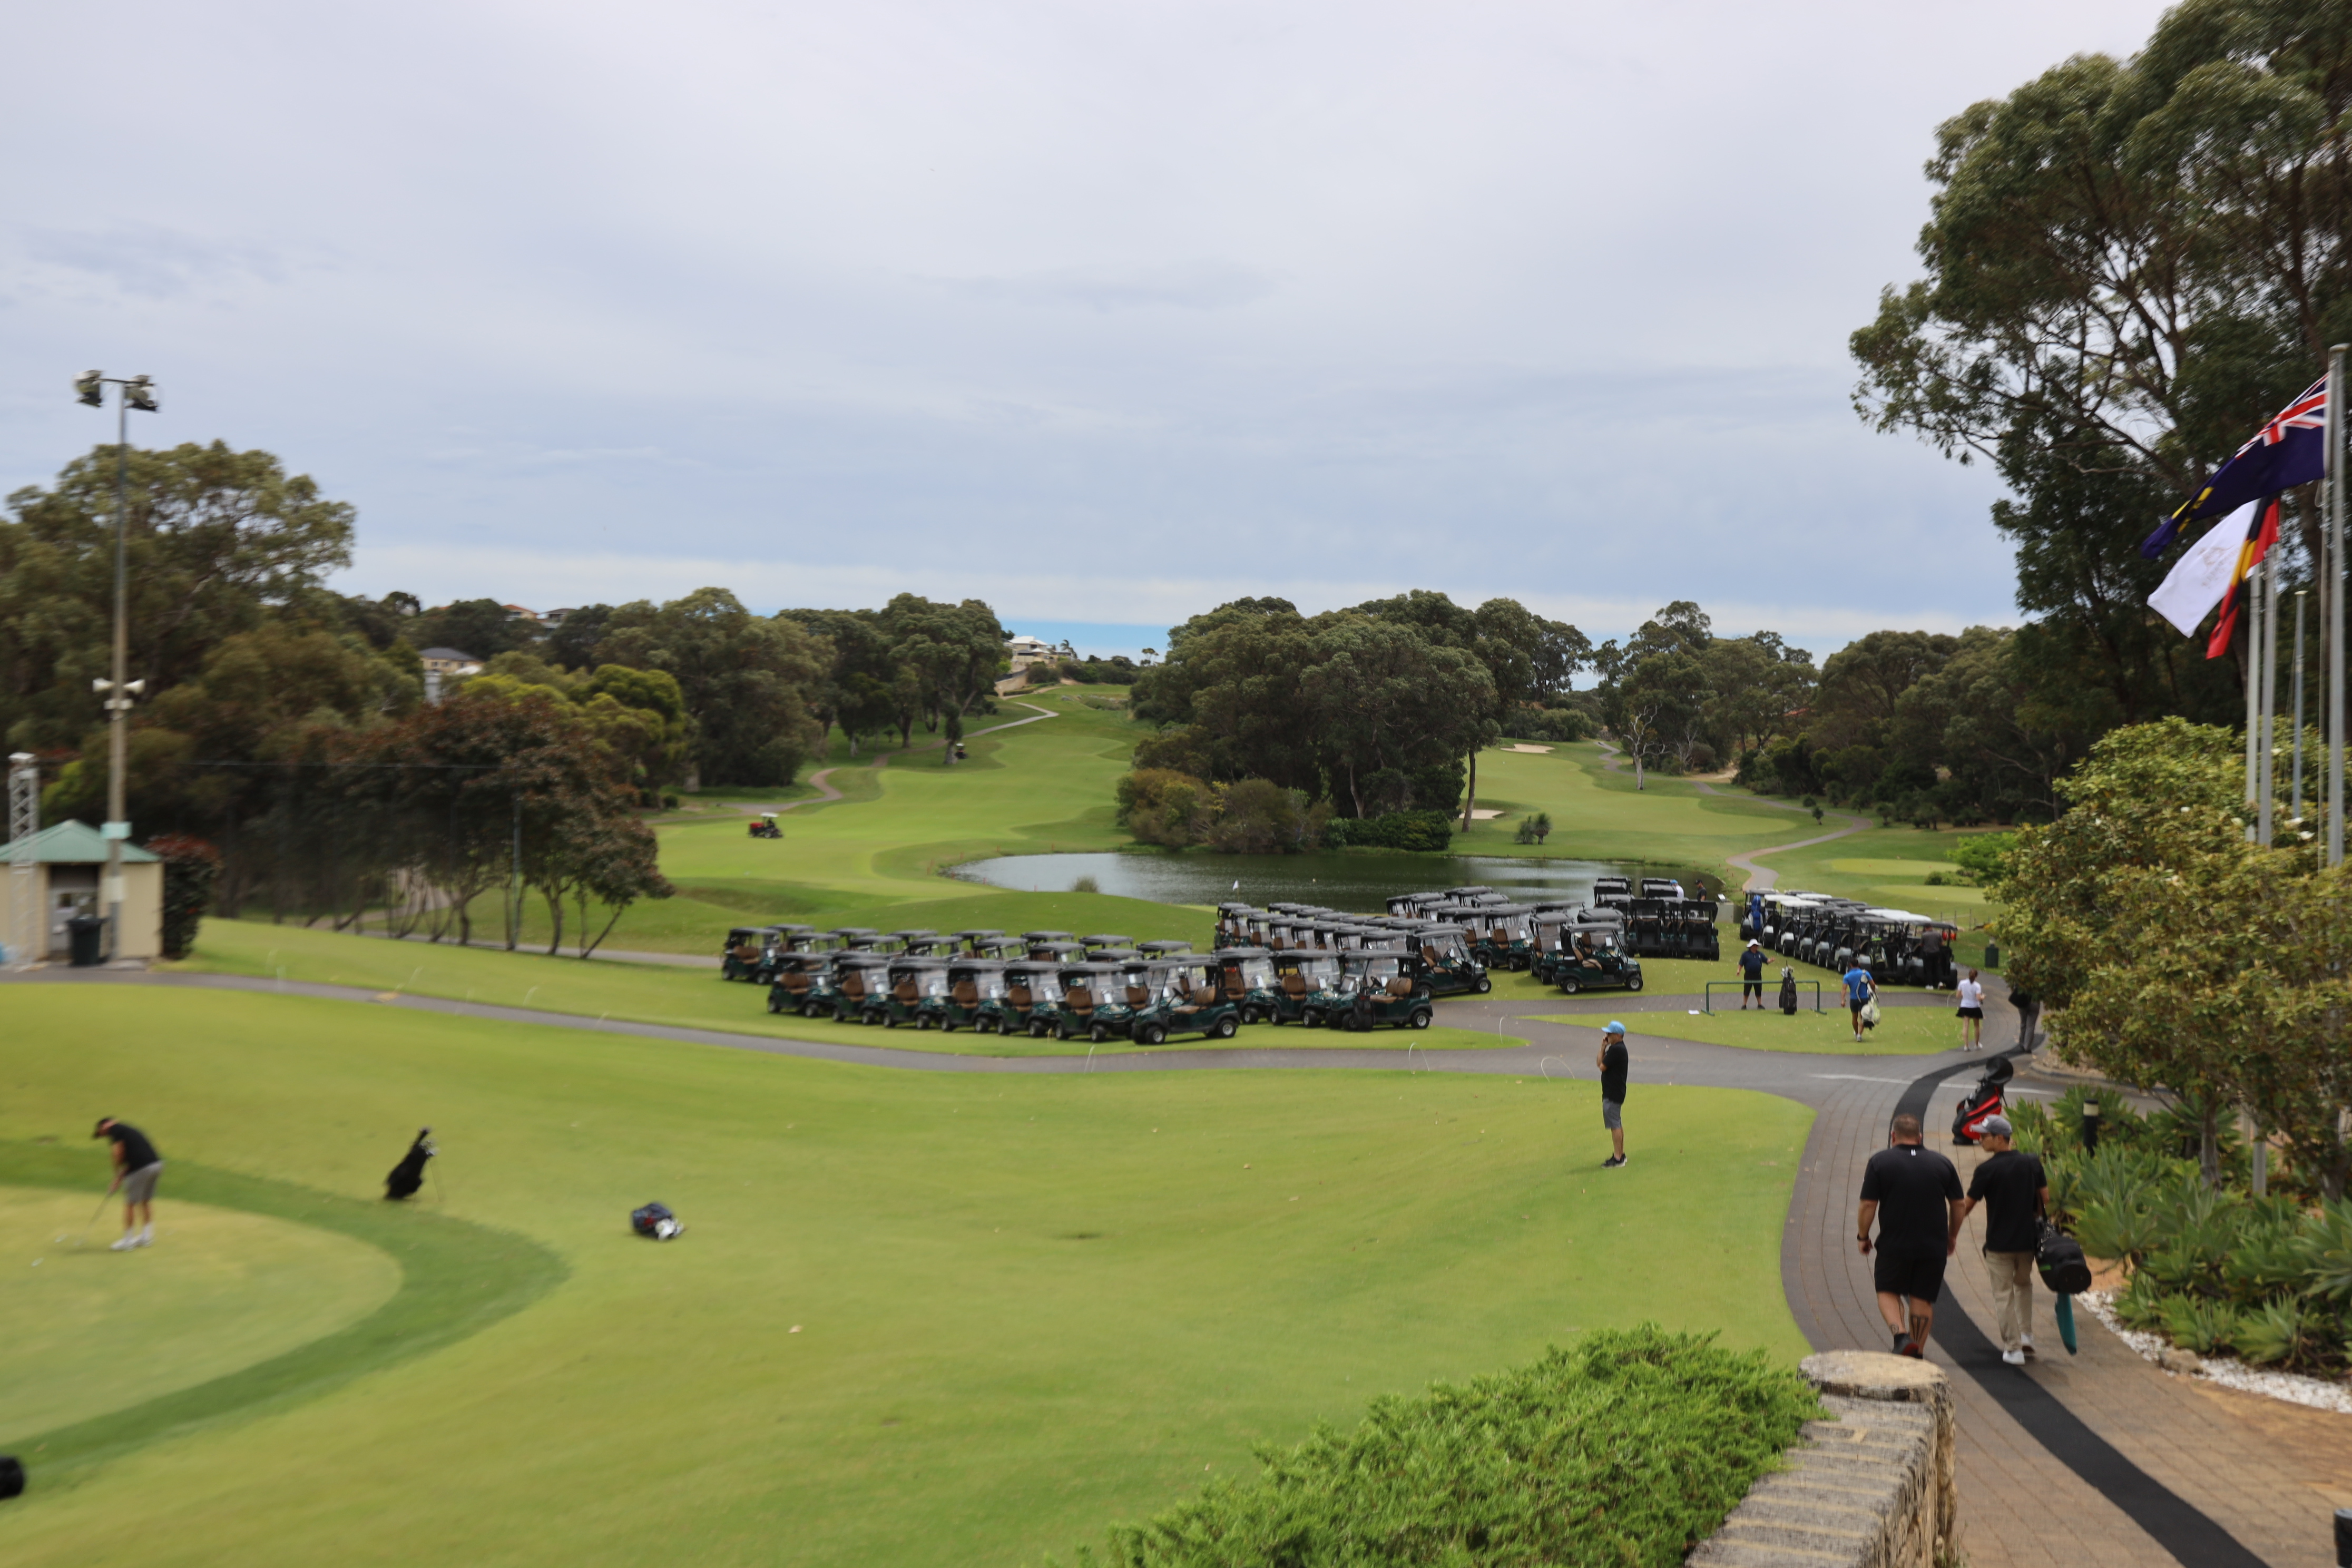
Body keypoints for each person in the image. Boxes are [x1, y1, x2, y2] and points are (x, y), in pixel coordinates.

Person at [1856, 1112, 1963, 1357]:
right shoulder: (1942, 1163)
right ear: (1920, 1137)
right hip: (1933, 1246)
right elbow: (1958, 1204)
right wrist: (1952, 1235)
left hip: (1895, 1243)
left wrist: (1863, 1236)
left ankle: (1901, 1336)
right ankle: (1917, 1353)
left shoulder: (1880, 1162)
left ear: (1893, 1136)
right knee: (1922, 1299)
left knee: (1887, 1291)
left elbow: (1868, 1204)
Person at [1952, 1114, 2049, 1365]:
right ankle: (2026, 1336)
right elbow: (2045, 1198)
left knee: (2003, 1293)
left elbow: (1967, 1205)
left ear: (2000, 1138)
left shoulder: (1986, 1170)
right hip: (2027, 1241)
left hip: (1999, 1243)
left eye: (1984, 1136)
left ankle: (2014, 1348)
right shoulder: (2032, 1163)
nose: (1980, 1140)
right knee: (2023, 1284)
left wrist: (1951, 1232)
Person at [93, 1116, 163, 1251]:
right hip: (156, 1166)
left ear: (104, 1126)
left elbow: (118, 1154)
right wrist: (118, 1180)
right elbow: (132, 1160)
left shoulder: (115, 1130)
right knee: (145, 1201)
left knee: (130, 1204)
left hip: (142, 1168)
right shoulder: (128, 1130)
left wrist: (116, 1175)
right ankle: (147, 1237)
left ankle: (128, 1241)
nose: (105, 1136)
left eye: (102, 1133)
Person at [1595, 1022, 1629, 1168]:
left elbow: (1602, 1066)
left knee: (1615, 1125)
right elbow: (1599, 1063)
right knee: (1617, 1123)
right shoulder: (1615, 1049)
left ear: (1618, 1035)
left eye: (1610, 1034)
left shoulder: (1617, 1050)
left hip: (1613, 1093)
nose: (1607, 1036)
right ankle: (1620, 1154)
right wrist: (1603, 1046)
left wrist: (1604, 1048)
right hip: (1615, 1091)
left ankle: (1618, 1158)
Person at [1843, 961, 1877, 1042]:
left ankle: (1856, 1033)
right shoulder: (1865, 973)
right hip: (1864, 999)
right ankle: (1859, 1035)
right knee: (1863, 1017)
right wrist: (1874, 991)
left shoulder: (1847, 976)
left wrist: (1842, 1000)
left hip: (1854, 999)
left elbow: (1844, 989)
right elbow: (1873, 984)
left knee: (1854, 1017)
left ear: (1850, 965)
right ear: (1859, 965)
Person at [1955, 968, 1986, 1051]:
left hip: (1965, 1006)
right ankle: (1977, 1044)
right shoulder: (1977, 986)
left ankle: (1966, 1046)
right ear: (1976, 976)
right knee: (1977, 1026)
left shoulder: (1962, 983)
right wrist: (1983, 997)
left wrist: (1963, 994)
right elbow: (1978, 998)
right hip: (1975, 1007)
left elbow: (1958, 996)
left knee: (1966, 1026)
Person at [1738, 939, 1768, 1009]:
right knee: (1747, 989)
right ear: (1751, 947)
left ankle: (1760, 1004)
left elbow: (1766, 960)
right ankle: (1744, 1005)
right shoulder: (1745, 954)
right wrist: (1738, 971)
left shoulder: (1760, 954)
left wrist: (1770, 960)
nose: (1755, 947)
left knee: (1758, 989)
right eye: (1754, 946)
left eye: (1756, 946)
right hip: (1749, 974)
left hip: (1757, 974)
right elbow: (1741, 964)